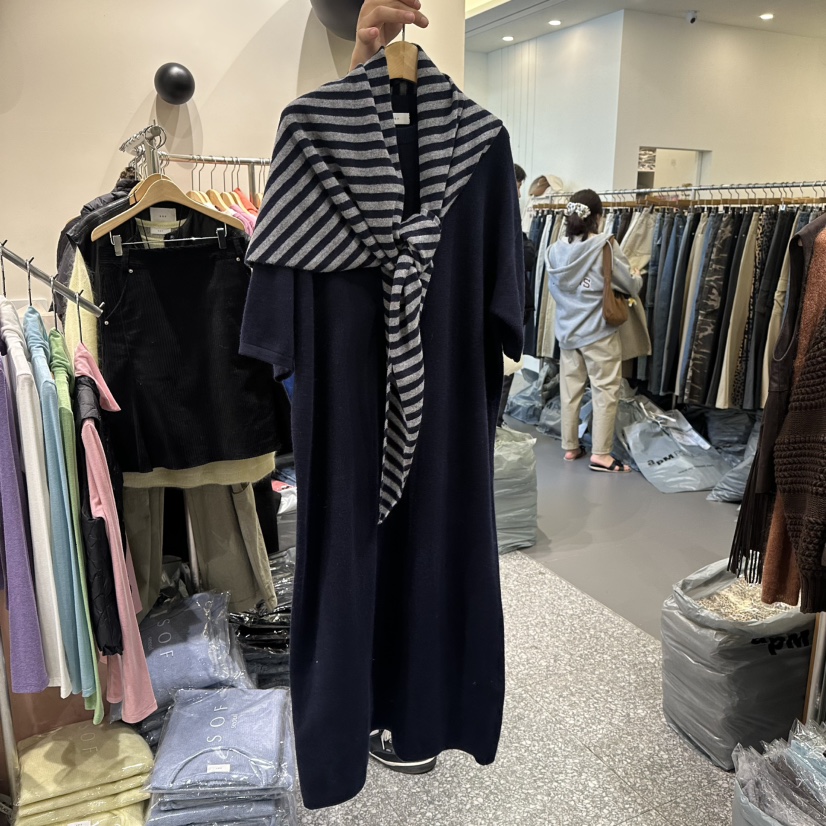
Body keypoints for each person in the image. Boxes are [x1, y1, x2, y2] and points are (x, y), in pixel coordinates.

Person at [349, 0, 442, 777]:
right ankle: (371, 712)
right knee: (370, 558)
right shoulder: (317, 135)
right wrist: (361, 65)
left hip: (432, 402)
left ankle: (407, 715)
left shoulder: (480, 148)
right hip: (352, 400)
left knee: (417, 557)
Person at [546, 189, 642, 473]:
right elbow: (628, 284)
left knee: (570, 391)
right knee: (605, 391)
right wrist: (637, 277)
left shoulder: (554, 250)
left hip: (568, 332)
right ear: (598, 217)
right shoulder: (605, 246)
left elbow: (555, 291)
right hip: (599, 332)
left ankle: (570, 446)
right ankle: (601, 454)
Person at [497, 163, 536, 426]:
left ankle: (493, 424)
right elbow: (527, 257)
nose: (520, 194)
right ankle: (493, 425)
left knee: (504, 370)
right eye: (518, 186)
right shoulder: (503, 219)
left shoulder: (508, 218)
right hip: (504, 310)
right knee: (504, 370)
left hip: (507, 308)